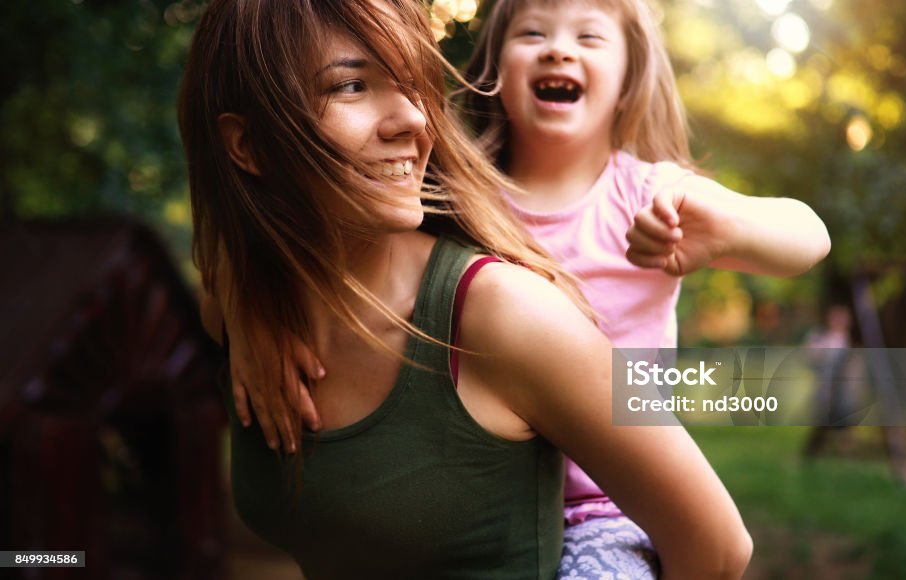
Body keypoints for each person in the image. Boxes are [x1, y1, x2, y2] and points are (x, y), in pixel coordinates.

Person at [183, 0, 751, 578]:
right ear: (246, 146)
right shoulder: (241, 309)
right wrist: (243, 296)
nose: (413, 119)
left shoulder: (506, 316)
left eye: (411, 84)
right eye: (352, 86)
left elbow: (719, 548)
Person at [454, 0, 830, 576]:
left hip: (608, 508)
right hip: (476, 503)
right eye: (533, 32)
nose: (559, 48)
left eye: (589, 37)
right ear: (496, 70)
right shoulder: (459, 199)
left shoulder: (653, 196)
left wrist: (725, 229)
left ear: (628, 83)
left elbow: (810, 237)